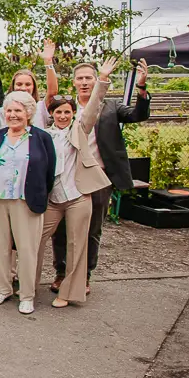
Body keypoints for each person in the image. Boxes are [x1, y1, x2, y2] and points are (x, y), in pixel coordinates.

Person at [51, 52, 150, 288]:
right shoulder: (66, 109)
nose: (84, 82)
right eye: (80, 79)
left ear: (97, 81)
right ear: (73, 82)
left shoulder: (111, 106)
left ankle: (84, 276)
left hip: (98, 179)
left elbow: (138, 115)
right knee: (62, 230)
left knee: (92, 229)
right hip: (67, 179)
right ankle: (62, 272)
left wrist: (142, 89)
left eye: (89, 78)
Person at [39, 58, 116, 307]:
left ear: (73, 115)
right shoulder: (45, 135)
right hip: (53, 198)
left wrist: (102, 80)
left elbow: (93, 107)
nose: (62, 116)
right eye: (58, 112)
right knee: (36, 236)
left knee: (77, 243)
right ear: (51, 114)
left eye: (67, 112)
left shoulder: (80, 129)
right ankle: (27, 282)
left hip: (78, 196)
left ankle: (69, 292)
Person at [0, 92, 57, 315]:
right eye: (9, 111)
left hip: (26, 200)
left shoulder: (41, 137)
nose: (13, 115)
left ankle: (26, 294)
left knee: (27, 249)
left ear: (28, 113)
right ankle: (3, 289)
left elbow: (49, 171)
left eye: (18, 110)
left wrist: (39, 194)